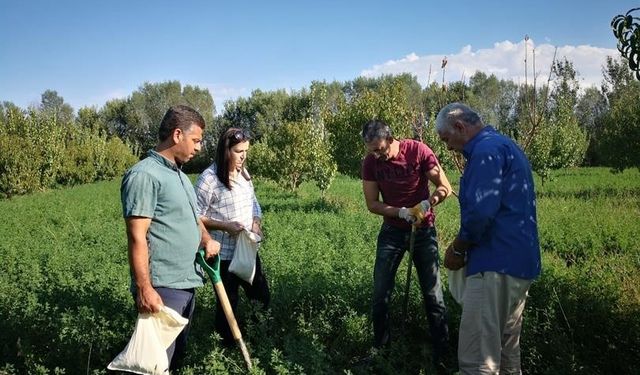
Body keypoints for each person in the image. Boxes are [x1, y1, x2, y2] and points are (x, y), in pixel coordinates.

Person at [435, 103, 541, 374]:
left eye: (446, 139)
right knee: (506, 355)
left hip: (495, 263)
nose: (447, 148)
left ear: (460, 126)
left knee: (478, 361)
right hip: (519, 264)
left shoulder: (484, 153)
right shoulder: (506, 146)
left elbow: (481, 213)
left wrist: (458, 249)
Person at [120, 105, 221, 369]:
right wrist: (144, 288)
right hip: (162, 287)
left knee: (174, 357)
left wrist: (206, 239)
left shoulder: (179, 176)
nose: (199, 148)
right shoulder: (144, 175)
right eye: (196, 140)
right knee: (154, 363)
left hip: (185, 281)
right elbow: (137, 237)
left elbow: (192, 220)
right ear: (177, 135)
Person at [360, 119, 453, 369]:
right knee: (381, 293)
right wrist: (400, 212)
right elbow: (372, 204)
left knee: (433, 294)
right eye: (372, 151)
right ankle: (381, 349)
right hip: (392, 231)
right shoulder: (371, 163)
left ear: (391, 139)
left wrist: (427, 204)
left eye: (380, 149)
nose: (377, 155)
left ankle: (441, 353)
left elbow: (445, 186)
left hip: (423, 231)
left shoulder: (418, 151)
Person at [195, 127, 270, 346]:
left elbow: (254, 204)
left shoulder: (244, 174)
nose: (243, 156)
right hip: (223, 255)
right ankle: (227, 349)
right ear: (226, 150)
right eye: (238, 151)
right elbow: (194, 216)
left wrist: (255, 224)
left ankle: (260, 339)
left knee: (261, 297)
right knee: (228, 304)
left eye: (246, 150)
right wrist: (224, 226)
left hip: (246, 250)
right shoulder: (208, 179)